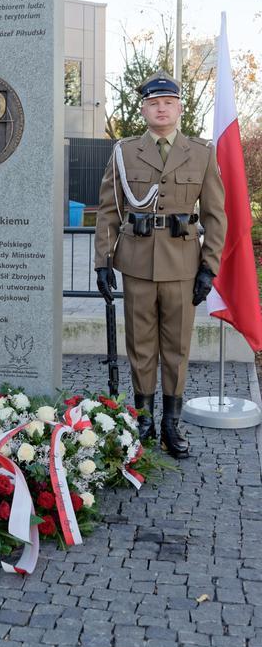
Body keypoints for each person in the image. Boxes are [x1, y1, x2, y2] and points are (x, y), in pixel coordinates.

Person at [94, 72, 226, 458]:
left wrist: (209, 267)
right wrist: (104, 262)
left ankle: (171, 423)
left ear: (179, 108)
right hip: (136, 265)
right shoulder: (124, 151)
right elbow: (107, 211)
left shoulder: (201, 152)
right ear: (144, 109)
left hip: (183, 266)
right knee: (140, 346)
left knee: (176, 348)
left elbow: (216, 216)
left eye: (168, 102)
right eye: (154, 103)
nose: (161, 108)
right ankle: (144, 419)